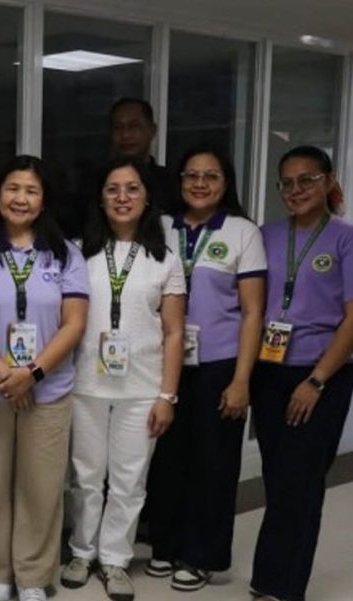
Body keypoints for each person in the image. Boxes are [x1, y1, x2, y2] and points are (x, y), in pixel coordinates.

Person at [0, 156, 88, 601]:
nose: (21, 198)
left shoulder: (66, 254)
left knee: (41, 485)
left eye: (31, 191)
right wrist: (5, 376)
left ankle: (33, 576)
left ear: (44, 200)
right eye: (13, 188)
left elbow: (74, 323)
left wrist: (31, 375)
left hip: (48, 389)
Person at [61, 158, 185, 601]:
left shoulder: (165, 259)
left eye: (132, 189)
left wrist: (167, 395)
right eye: (112, 189)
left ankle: (115, 559)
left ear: (147, 198)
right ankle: (81, 551)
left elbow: (174, 332)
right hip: (85, 384)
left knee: (130, 480)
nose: (122, 197)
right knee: (86, 476)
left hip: (142, 387)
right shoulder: (77, 252)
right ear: (100, 198)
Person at [144, 146, 266, 592]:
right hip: (164, 361)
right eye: (191, 175)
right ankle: (165, 544)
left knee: (213, 462)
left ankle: (202, 555)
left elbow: (253, 313)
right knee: (167, 460)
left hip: (220, 364)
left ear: (225, 182)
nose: (200, 184)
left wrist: (241, 380)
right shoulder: (161, 227)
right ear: (178, 181)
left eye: (210, 176)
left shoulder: (241, 232)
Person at [249, 145, 353, 601]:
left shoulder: (345, 239)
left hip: (322, 374)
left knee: (303, 482)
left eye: (307, 180)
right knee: (278, 477)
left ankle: (285, 588)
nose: (296, 190)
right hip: (270, 370)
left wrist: (316, 380)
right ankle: (268, 579)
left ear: (328, 181)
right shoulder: (267, 235)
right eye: (287, 183)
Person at [56, 98, 177, 240]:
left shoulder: (170, 183)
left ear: (152, 130)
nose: (125, 135)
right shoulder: (93, 182)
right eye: (118, 127)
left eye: (134, 126)